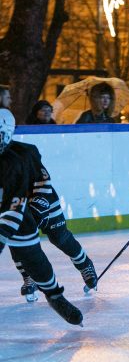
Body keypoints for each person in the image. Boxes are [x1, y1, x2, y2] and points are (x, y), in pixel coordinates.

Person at [0, 109, 83, 325]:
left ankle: (55, 294)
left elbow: (17, 205)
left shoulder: (21, 157)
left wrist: (36, 211)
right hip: (16, 211)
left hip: (23, 212)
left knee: (33, 253)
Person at [7, 112, 98, 301]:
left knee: (60, 237)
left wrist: (40, 204)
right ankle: (28, 277)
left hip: (44, 201)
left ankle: (84, 265)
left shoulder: (26, 151)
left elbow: (43, 179)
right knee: (18, 244)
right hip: (18, 206)